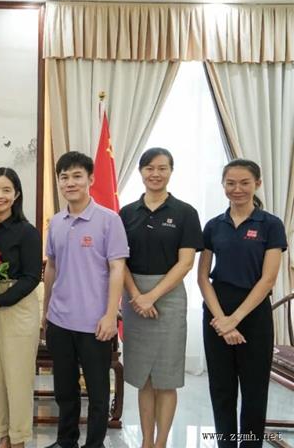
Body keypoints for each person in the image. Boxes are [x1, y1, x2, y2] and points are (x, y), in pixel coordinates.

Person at [197, 159, 287, 448]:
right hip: (216, 312)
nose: (237, 189)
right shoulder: (214, 226)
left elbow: (268, 279)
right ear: (223, 185)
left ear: (257, 184)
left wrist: (233, 319)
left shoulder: (271, 225)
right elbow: (202, 278)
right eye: (231, 183)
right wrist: (221, 318)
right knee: (221, 389)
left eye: (244, 183)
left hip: (253, 314)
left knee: (254, 391)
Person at [42, 151, 129, 448]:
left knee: (98, 392)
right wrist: (46, 312)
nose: (70, 182)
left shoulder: (109, 220)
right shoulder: (56, 222)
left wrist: (110, 315)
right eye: (64, 177)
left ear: (91, 179)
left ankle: (95, 444)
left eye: (77, 176)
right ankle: (66, 441)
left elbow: (118, 268)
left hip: (96, 323)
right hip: (60, 321)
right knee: (64, 390)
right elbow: (51, 267)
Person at [118, 148, 203, 448]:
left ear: (171, 171)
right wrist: (136, 296)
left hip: (168, 297)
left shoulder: (185, 212)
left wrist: (151, 296)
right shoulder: (126, 213)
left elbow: (186, 263)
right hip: (133, 297)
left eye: (162, 168)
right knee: (143, 377)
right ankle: (146, 440)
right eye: (149, 168)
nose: (156, 173)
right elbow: (119, 261)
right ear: (140, 171)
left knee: (166, 378)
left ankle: (162, 441)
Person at [0, 167, 42, 448]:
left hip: (16, 308)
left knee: (17, 378)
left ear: (16, 196)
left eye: (6, 190)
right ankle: (2, 434)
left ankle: (19, 439)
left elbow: (31, 277)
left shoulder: (26, 231)